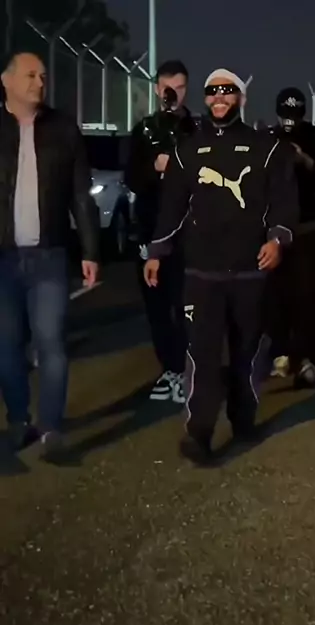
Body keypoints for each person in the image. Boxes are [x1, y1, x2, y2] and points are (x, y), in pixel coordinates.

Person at [144, 68, 298, 464]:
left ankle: (244, 419)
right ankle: (199, 433)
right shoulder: (187, 150)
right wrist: (157, 252)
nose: (219, 97)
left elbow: (284, 202)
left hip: (251, 271)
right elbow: (172, 208)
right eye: (212, 91)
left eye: (228, 91)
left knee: (248, 352)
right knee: (202, 354)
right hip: (202, 273)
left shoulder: (268, 148)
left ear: (241, 99)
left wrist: (277, 239)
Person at [0, 52, 99, 457]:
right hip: (3, 259)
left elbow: (80, 194)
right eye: (30, 75)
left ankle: (51, 428)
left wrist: (90, 250)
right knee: (6, 345)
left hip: (50, 256)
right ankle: (18, 420)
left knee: (50, 342)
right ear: (6, 81)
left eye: (42, 75)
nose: (39, 82)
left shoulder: (63, 128)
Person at [125, 60, 197, 403]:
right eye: (168, 87)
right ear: (157, 89)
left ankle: (186, 370)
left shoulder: (198, 129)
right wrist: (154, 168)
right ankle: (170, 368)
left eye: (180, 87)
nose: (173, 94)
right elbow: (131, 178)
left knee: (185, 306)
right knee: (156, 308)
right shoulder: (143, 131)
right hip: (151, 232)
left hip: (188, 233)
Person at [267, 87, 315, 385]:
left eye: (294, 114)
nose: (289, 120)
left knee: (306, 294)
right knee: (275, 294)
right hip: (273, 231)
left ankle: (309, 355)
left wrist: (306, 161)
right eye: (285, 114)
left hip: (309, 228)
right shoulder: (267, 139)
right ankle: (281, 352)